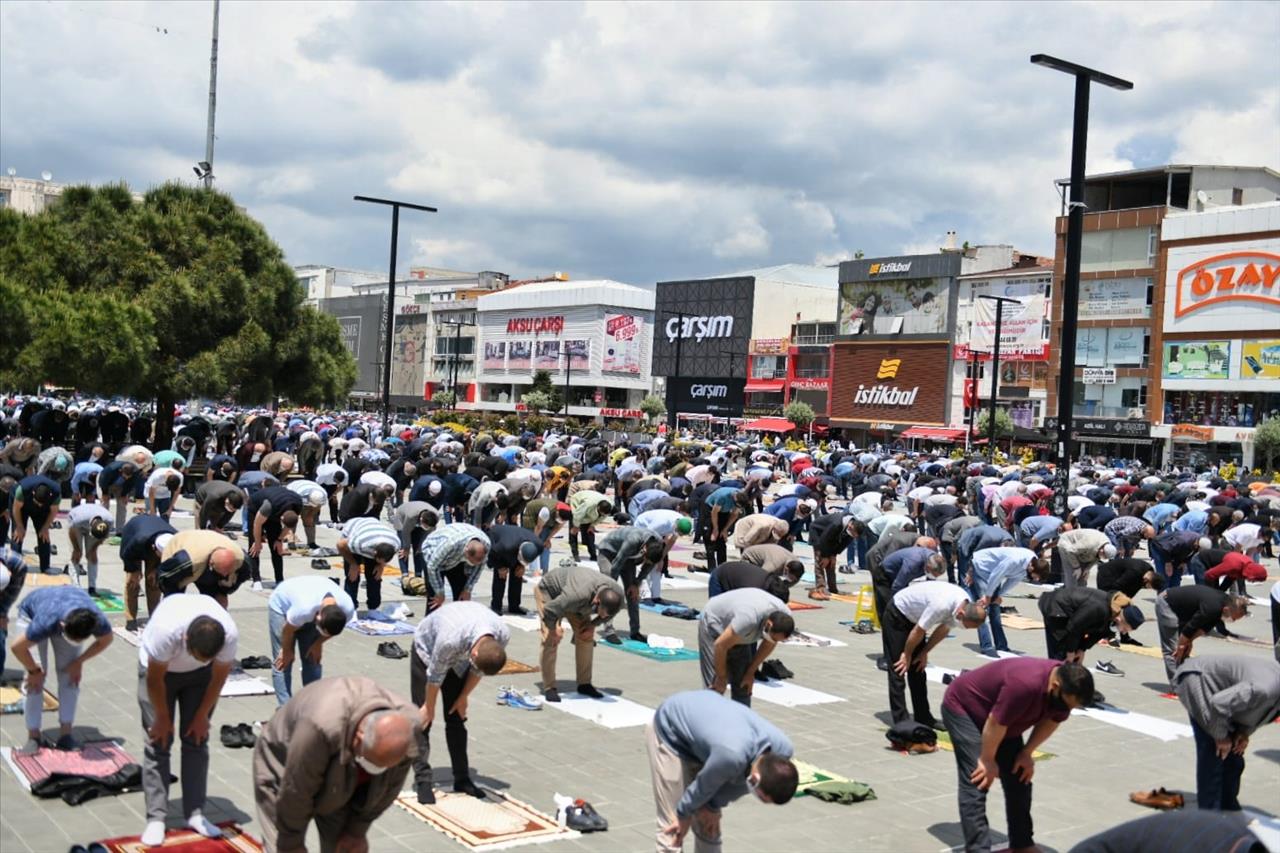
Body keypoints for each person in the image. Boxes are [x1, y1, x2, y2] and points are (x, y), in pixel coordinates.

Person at [943, 658, 1094, 852]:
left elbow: (1053, 720)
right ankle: (978, 849)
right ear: (1055, 685)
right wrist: (987, 759)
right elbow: (996, 723)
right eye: (1067, 705)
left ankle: (1023, 843)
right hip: (965, 708)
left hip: (1002, 721)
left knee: (1019, 776)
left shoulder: (1063, 689)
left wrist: (1026, 752)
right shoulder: (1024, 684)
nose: (1067, 711)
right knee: (977, 779)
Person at [253, 677, 418, 853]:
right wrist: (291, 843)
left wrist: (357, 831)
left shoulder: (409, 729)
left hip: (342, 767)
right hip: (284, 761)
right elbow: (296, 790)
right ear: (359, 738)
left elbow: (389, 787)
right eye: (372, 762)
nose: (377, 770)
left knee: (345, 846)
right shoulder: (319, 726)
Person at [136, 594, 238, 846]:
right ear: (185, 640)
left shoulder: (228, 634)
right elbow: (154, 679)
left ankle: (195, 814)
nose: (202, 660)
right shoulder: (166, 631)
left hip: (200, 680)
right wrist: (161, 717)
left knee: (196, 738)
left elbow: (218, 677)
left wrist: (203, 715)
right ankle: (156, 818)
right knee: (158, 741)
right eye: (197, 655)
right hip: (159, 675)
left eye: (207, 658)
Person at [647, 689, 797, 853]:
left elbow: (728, 787)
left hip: (709, 738)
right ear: (754, 778)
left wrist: (712, 805)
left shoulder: (783, 750)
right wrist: (683, 814)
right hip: (671, 730)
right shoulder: (731, 755)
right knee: (673, 829)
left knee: (709, 825)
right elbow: (704, 786)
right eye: (760, 797)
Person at [409, 601, 510, 804]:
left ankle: (462, 778)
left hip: (461, 650)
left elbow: (477, 670)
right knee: (422, 721)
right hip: (427, 649)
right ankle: (423, 781)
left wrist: (463, 697)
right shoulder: (449, 641)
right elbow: (435, 676)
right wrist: (429, 707)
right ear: (473, 654)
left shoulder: (502, 634)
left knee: (456, 715)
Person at [9, 586, 113, 753]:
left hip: (67, 609)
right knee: (34, 683)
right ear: (62, 626)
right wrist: (33, 671)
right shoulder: (46, 620)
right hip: (33, 613)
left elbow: (106, 640)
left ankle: (66, 734)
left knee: (70, 678)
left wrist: (80, 661)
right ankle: (33, 736)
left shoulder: (96, 619)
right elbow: (17, 648)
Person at [1172, 655, 1280, 811]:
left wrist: (1244, 733)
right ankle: (1210, 816)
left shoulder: (1271, 691)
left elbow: (1262, 712)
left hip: (1225, 694)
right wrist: (1221, 737)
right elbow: (1218, 704)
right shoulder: (1263, 689)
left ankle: (1228, 806)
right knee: (1214, 753)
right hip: (1199, 681)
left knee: (1234, 759)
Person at [884, 582, 986, 727]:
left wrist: (924, 652)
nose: (965, 628)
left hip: (917, 620)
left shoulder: (963, 602)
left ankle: (923, 716)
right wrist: (906, 654)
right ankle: (901, 721)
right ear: (961, 614)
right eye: (967, 626)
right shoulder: (942, 605)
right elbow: (918, 631)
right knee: (899, 667)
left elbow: (943, 629)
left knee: (918, 668)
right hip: (898, 614)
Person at [534, 562, 623, 702]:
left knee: (586, 636)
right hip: (550, 593)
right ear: (597, 600)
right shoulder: (576, 594)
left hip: (576, 602)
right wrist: (553, 630)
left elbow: (610, 613)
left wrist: (593, 624)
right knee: (551, 639)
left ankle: (584, 684)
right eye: (601, 613)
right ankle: (549, 687)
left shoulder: (617, 595)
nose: (603, 617)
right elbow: (550, 610)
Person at [697, 588, 795, 707]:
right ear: (768, 625)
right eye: (773, 638)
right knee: (715, 687)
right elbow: (720, 646)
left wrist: (750, 673)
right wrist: (721, 677)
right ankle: (708, 720)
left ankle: (742, 720)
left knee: (744, 684)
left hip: (741, 629)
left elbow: (769, 644)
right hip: (715, 623)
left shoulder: (785, 618)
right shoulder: (748, 618)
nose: (773, 642)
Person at [267, 576, 355, 705]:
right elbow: (287, 630)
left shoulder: (347, 609)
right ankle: (284, 710)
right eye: (320, 630)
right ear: (317, 617)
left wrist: (318, 643)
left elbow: (332, 631)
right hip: (282, 605)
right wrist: (286, 650)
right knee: (283, 662)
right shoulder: (304, 609)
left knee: (312, 658)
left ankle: (312, 706)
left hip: (311, 595)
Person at [1155, 587, 1249, 684]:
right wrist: (1182, 644)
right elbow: (1190, 627)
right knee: (1173, 650)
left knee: (1185, 648)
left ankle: (1185, 682)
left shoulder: (1224, 604)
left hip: (1183, 611)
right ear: (1226, 609)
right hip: (1167, 603)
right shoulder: (1212, 607)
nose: (1232, 621)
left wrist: (1189, 641)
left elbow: (1204, 628)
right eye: (1233, 618)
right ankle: (1177, 688)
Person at [967, 547, 1048, 658]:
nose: (1036, 580)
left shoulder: (1029, 563)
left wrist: (999, 595)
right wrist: (988, 596)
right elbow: (996, 574)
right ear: (1032, 568)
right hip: (983, 566)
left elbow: (1013, 581)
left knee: (995, 608)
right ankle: (987, 646)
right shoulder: (1015, 560)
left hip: (994, 573)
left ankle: (1001, 645)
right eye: (1036, 577)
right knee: (984, 608)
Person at [597, 525, 665, 644]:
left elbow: (649, 566)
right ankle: (609, 631)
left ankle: (635, 631)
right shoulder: (633, 540)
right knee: (610, 593)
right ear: (644, 549)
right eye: (645, 560)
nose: (645, 563)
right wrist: (613, 590)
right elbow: (616, 565)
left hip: (629, 558)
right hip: (609, 553)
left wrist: (636, 583)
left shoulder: (658, 545)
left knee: (633, 594)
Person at [1039, 587, 1143, 664]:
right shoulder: (1099, 609)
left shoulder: (1116, 612)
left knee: (1074, 657)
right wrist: (1070, 651)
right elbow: (1074, 627)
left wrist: (1082, 649)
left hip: (1073, 617)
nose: (1124, 633)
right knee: (1061, 657)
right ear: (1119, 619)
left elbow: (1098, 634)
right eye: (1125, 629)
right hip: (1056, 608)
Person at [156, 530, 247, 607]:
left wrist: (224, 590)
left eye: (226, 573)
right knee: (173, 602)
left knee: (219, 600)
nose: (224, 576)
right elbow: (163, 575)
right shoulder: (186, 561)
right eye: (220, 574)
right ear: (210, 564)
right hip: (181, 553)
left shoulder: (240, 559)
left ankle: (215, 623)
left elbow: (239, 578)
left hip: (206, 548)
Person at [118, 514, 176, 632]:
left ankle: (154, 616)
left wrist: (157, 570)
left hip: (153, 537)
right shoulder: (138, 540)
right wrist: (133, 570)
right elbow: (125, 553)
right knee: (132, 582)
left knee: (154, 582)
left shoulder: (175, 539)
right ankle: (131, 618)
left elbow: (170, 561)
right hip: (133, 539)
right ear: (154, 548)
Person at [420, 523, 491, 612]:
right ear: (466, 552)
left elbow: (478, 569)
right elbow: (432, 566)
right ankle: (431, 622)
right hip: (434, 554)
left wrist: (467, 590)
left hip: (457, 559)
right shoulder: (450, 544)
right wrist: (439, 592)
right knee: (435, 599)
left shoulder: (486, 545)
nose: (473, 565)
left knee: (462, 597)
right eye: (471, 562)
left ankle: (459, 621)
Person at [337, 516, 399, 613]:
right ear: (374, 553)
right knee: (353, 577)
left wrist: (381, 566)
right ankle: (350, 609)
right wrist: (353, 564)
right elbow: (340, 545)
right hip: (354, 528)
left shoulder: (396, 544)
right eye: (378, 560)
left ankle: (373, 608)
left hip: (375, 533)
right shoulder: (359, 542)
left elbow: (384, 559)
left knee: (375, 577)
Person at [247, 484, 303, 589]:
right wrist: (258, 541)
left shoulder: (298, 505)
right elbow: (257, 523)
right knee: (254, 547)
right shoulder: (268, 506)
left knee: (276, 547)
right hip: (256, 509)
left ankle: (279, 580)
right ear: (281, 518)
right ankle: (256, 580)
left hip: (276, 510)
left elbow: (288, 526)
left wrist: (279, 539)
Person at [483, 523, 541, 616]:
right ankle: (496, 606)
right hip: (497, 541)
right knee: (501, 575)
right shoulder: (504, 546)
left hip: (516, 541)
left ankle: (514, 606)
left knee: (517, 573)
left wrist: (522, 566)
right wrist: (499, 566)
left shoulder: (538, 545)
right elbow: (490, 553)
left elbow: (530, 557)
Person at [10, 474, 61, 574]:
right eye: (37, 502)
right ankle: (14, 566)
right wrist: (19, 526)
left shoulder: (55, 492)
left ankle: (45, 566)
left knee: (44, 535)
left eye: (40, 504)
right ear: (33, 493)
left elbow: (54, 511)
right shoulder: (22, 489)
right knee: (17, 535)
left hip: (42, 512)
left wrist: (46, 527)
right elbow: (16, 508)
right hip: (21, 506)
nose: (38, 505)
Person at [65, 502, 113, 596]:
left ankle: (92, 587)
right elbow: (71, 532)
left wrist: (94, 547)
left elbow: (103, 537)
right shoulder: (78, 519)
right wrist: (76, 548)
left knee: (92, 556)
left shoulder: (109, 521)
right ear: (90, 528)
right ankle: (76, 587)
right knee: (76, 555)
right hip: (76, 525)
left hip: (90, 519)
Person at [708, 560, 802, 601]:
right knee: (715, 610)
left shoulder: (772, 581)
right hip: (720, 576)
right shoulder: (753, 589)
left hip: (736, 575)